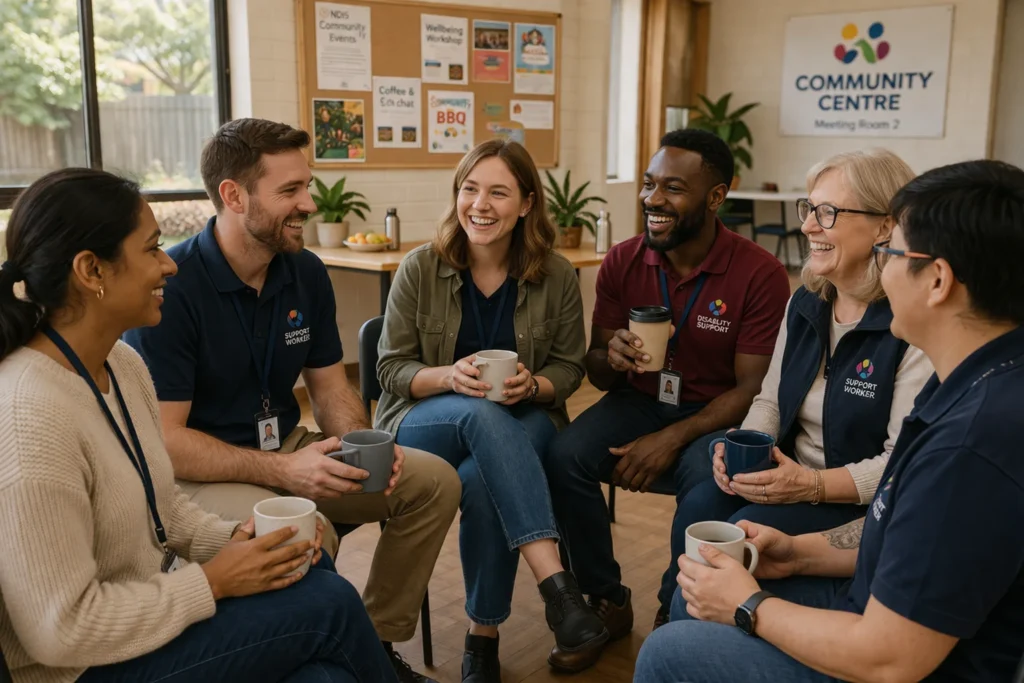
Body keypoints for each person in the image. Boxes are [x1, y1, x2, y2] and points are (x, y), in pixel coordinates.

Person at [0, 168, 398, 683]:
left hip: (142, 623)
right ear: (91, 271)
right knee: (330, 603)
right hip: (80, 669)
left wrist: (239, 537)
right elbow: (62, 631)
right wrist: (212, 582)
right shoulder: (28, 414)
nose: (169, 265)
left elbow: (162, 510)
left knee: (317, 623)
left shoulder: (122, 365)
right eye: (151, 250)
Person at [634, 159, 1024, 683]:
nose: (883, 271)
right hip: (871, 591)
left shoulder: (968, 447)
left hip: (901, 654)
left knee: (668, 652)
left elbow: (890, 658)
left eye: (891, 253)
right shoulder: (970, 381)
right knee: (697, 588)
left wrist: (750, 605)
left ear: (936, 280)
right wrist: (795, 555)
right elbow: (899, 527)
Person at [124, 118, 459, 683]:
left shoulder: (305, 271)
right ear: (233, 196)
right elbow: (168, 442)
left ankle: (371, 643)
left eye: (307, 185)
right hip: (203, 472)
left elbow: (329, 387)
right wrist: (287, 471)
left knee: (432, 483)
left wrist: (359, 447)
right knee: (307, 535)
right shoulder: (173, 287)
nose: (308, 202)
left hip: (289, 448)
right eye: (289, 191)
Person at [658, 150, 933, 621]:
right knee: (703, 497)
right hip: (787, 477)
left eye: (828, 213)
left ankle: (693, 623)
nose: (807, 227)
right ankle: (674, 611)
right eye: (810, 209)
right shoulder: (806, 301)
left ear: (886, 226)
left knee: (742, 533)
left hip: (848, 501)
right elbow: (769, 398)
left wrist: (810, 485)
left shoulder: (909, 323)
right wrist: (745, 446)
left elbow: (898, 462)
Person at [544, 128, 792, 648]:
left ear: (716, 197)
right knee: (563, 455)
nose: (653, 200)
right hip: (639, 400)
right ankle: (605, 597)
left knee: (708, 486)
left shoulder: (759, 274)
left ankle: (673, 612)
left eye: (674, 188)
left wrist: (673, 438)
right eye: (649, 184)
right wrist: (609, 358)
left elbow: (751, 389)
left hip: (717, 414)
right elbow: (597, 370)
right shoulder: (623, 259)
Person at [374, 139, 607, 681]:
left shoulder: (555, 275)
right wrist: (447, 377)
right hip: (422, 420)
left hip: (526, 420)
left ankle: (483, 638)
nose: (480, 204)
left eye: (498, 192)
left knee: (483, 478)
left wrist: (535, 386)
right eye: (470, 189)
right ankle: (560, 589)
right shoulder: (419, 268)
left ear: (526, 203)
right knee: (478, 415)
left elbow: (570, 370)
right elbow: (389, 371)